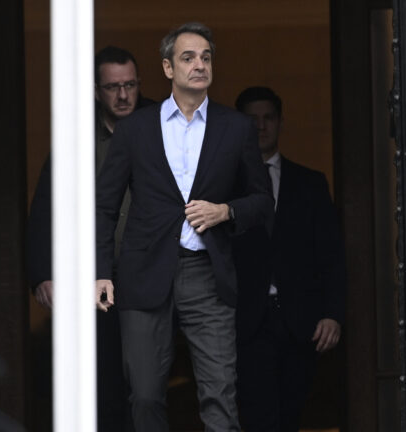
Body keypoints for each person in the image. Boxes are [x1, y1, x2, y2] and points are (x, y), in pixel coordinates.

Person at [95, 23, 274, 432]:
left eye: (206, 57)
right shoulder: (135, 128)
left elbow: (263, 200)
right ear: (167, 68)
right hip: (143, 272)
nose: (199, 65)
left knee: (220, 392)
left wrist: (225, 211)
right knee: (144, 395)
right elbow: (104, 206)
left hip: (206, 272)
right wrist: (102, 272)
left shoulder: (235, 127)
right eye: (188, 58)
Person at [26, 46, 153, 432]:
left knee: (149, 387)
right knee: (101, 383)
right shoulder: (76, 136)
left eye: (130, 85)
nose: (124, 95)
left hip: (154, 273)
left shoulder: (162, 124)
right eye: (113, 87)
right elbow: (46, 205)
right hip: (93, 277)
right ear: (96, 91)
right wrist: (42, 273)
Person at [232, 86, 347, 432]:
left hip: (301, 323)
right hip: (246, 322)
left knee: (292, 416)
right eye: (252, 120)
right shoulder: (224, 187)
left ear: (281, 122)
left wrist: (333, 314)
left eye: (268, 118)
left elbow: (330, 254)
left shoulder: (310, 183)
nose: (261, 126)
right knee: (257, 418)